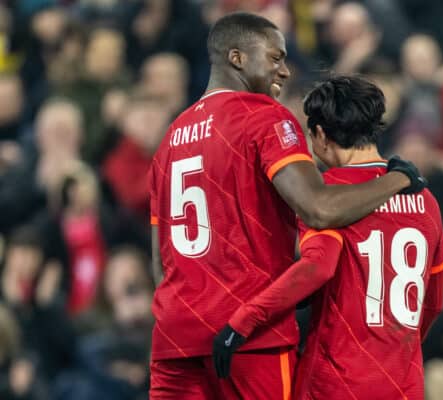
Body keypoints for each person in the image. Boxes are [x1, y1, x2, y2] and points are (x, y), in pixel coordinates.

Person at [148, 13, 425, 400]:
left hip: (175, 338)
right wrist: (399, 181)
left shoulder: (171, 137)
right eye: (275, 57)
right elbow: (318, 209)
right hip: (249, 337)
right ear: (238, 58)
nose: (284, 69)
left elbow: (160, 260)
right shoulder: (263, 117)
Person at [214, 76, 443, 399]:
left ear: (320, 134)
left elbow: (318, 267)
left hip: (337, 381)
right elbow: (432, 302)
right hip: (403, 384)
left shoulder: (329, 194)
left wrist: (243, 320)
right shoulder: (426, 201)